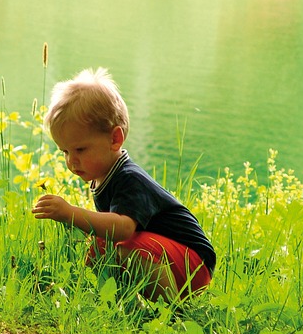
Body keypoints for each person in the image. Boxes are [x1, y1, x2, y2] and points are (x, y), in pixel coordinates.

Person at [31, 67, 215, 299]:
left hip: (194, 264)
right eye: (65, 151)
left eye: (80, 149)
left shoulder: (129, 178)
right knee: (99, 247)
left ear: (115, 139)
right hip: (169, 257)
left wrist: (70, 213)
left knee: (123, 244)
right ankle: (122, 300)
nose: (71, 160)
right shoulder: (105, 177)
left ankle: (170, 307)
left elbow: (123, 228)